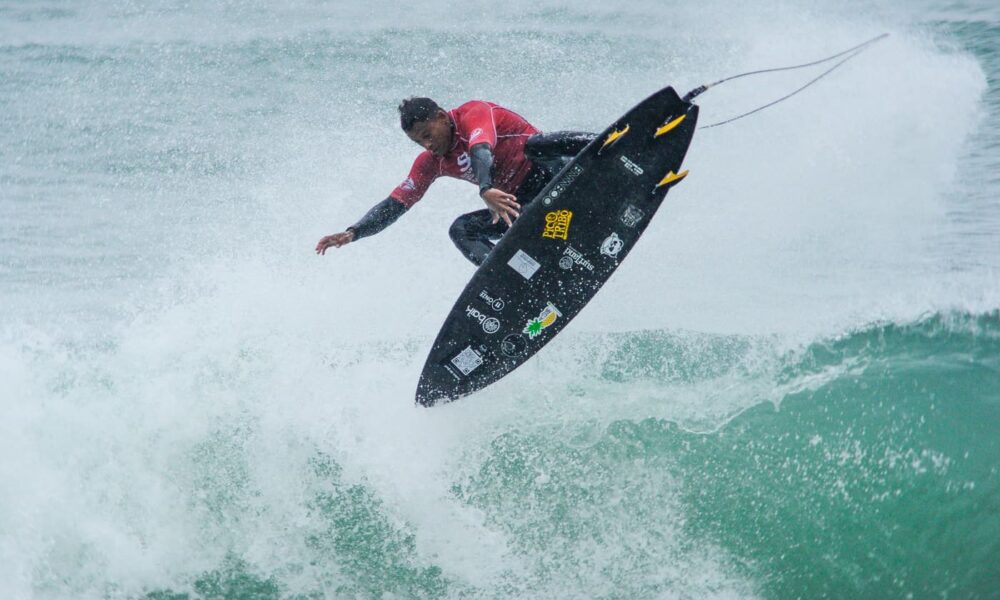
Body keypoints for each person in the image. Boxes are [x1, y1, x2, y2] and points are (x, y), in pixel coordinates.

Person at [314, 97, 595, 265]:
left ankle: (606, 144)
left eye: (427, 135)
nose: (427, 145)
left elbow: (481, 149)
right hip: (524, 204)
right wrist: (354, 232)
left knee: (536, 144)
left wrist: (485, 188)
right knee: (461, 229)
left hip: (557, 173)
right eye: (418, 142)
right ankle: (511, 276)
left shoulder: (472, 114)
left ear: (441, 116)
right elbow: (396, 203)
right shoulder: (431, 162)